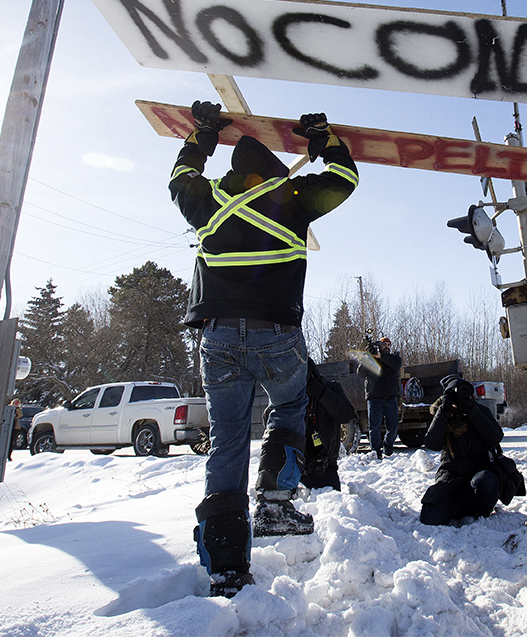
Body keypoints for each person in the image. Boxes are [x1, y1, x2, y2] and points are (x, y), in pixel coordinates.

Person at [171, 101, 358, 597]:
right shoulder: (291, 197)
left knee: (227, 439)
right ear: (272, 172)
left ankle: (227, 566)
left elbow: (180, 178)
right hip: (276, 332)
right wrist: (324, 139)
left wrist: (204, 135)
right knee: (291, 404)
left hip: (219, 336)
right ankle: (275, 503)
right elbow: (344, 180)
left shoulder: (209, 202)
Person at [420, 376, 509, 526]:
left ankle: (476, 508)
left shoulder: (480, 411)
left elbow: (495, 437)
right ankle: (460, 505)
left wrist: (472, 410)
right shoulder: (443, 414)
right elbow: (432, 443)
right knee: (430, 517)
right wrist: (444, 410)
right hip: (452, 474)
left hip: (479, 469)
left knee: (487, 481)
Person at [301, 358, 356, 491]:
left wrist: (322, 393)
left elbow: (346, 415)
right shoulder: (292, 393)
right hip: (300, 467)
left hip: (327, 466)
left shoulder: (330, 388)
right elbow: (269, 419)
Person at [357, 336, 403, 459]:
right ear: (379, 346)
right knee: (374, 427)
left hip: (390, 398)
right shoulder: (372, 360)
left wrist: (381, 357)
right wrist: (366, 358)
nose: (387, 347)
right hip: (374, 399)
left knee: (393, 426)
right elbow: (360, 374)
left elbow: (397, 365)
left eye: (389, 345)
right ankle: (376, 452)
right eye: (384, 345)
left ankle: (388, 450)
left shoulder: (394, 359)